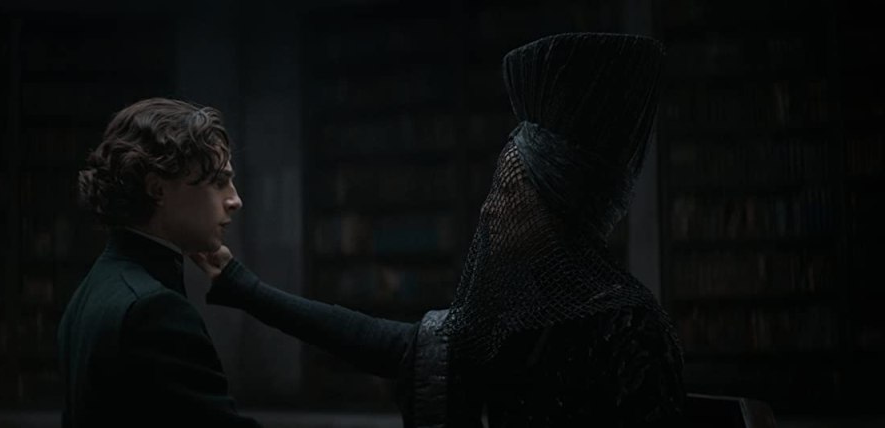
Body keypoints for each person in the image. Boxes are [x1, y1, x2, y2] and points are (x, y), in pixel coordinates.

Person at [197, 33, 685, 427]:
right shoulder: (510, 317)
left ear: (555, 210)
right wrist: (242, 286)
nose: (490, 209)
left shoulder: (632, 327)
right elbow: (381, 343)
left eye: (509, 192)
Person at [57, 98, 259, 427]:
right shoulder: (155, 310)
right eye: (218, 182)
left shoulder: (93, 288)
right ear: (157, 189)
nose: (235, 200)